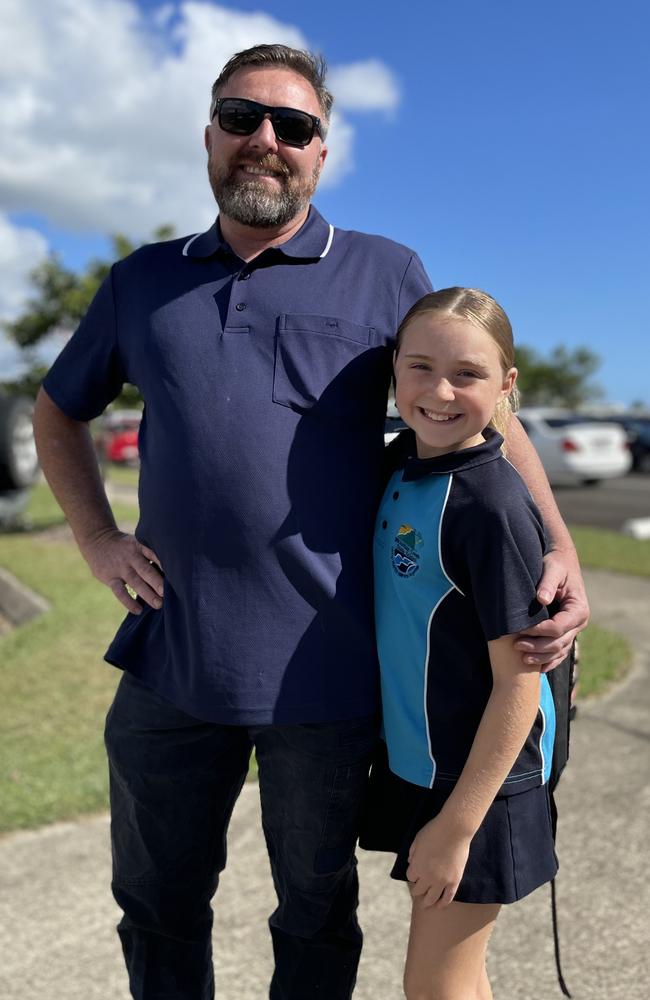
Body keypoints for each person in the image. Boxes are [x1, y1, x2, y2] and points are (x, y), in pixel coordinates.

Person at [32, 44, 588, 1000]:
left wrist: (563, 542)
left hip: (328, 681)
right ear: (209, 135)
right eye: (242, 118)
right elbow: (58, 409)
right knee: (158, 905)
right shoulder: (140, 281)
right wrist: (95, 536)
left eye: (293, 127)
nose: (265, 142)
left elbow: (482, 407)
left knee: (316, 915)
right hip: (172, 667)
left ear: (320, 151)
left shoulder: (382, 272)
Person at [360, 287, 564, 1000]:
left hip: (481, 788)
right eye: (419, 368)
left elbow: (516, 684)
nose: (439, 392)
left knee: (434, 987)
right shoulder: (398, 468)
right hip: (426, 769)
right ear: (393, 370)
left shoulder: (493, 505)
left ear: (507, 386)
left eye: (468, 375)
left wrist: (457, 826)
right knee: (460, 978)